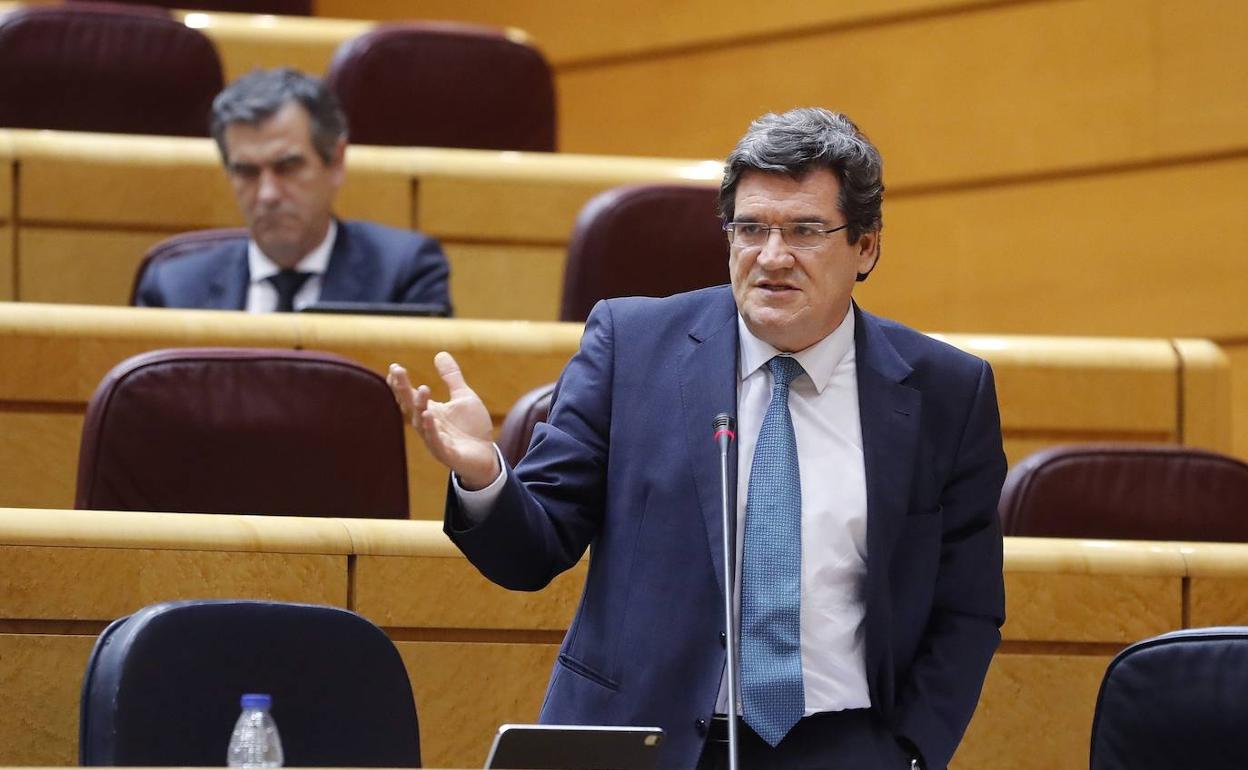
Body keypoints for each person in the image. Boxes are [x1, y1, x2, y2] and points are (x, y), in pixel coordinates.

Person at [388, 108, 1005, 770]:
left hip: (842, 747)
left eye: (804, 231)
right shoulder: (631, 347)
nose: (772, 257)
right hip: (644, 741)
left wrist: (909, 755)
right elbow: (531, 554)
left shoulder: (946, 392)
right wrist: (484, 476)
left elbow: (966, 607)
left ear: (867, 247)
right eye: (751, 229)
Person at [136, 68, 450, 313]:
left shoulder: (404, 274)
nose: (267, 195)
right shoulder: (174, 290)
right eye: (246, 172)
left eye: (287, 167)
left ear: (336, 161)